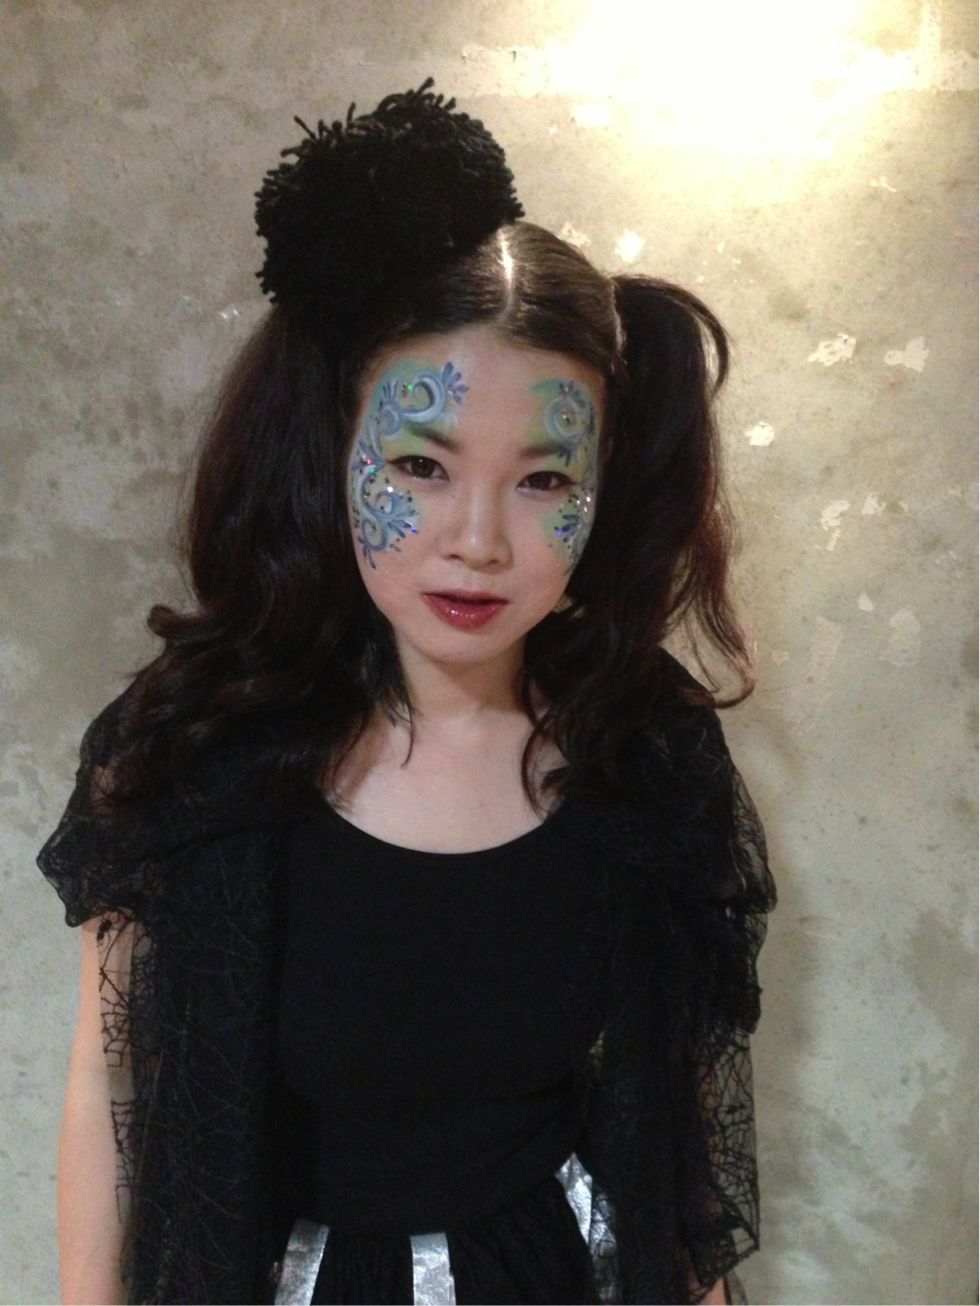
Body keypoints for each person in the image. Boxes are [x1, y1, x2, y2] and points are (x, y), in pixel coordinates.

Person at [39, 79, 776, 1306]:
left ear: (602, 489)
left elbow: (676, 1122)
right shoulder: (191, 749)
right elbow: (112, 1091)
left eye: (543, 481)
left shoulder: (641, 749)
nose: (475, 541)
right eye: (421, 465)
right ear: (333, 450)